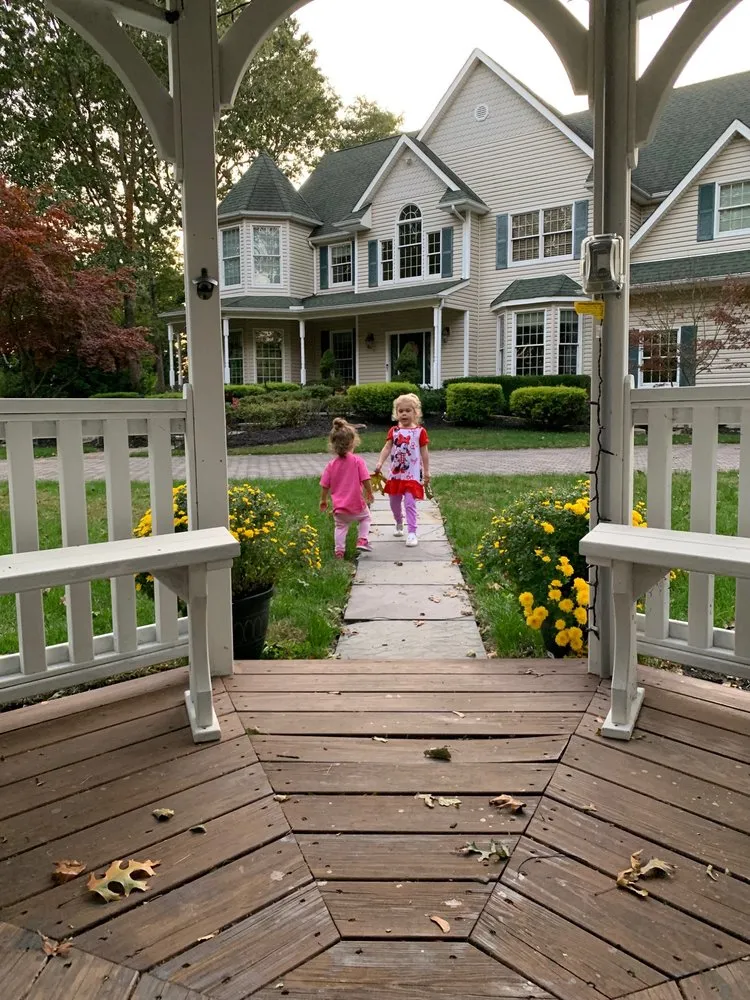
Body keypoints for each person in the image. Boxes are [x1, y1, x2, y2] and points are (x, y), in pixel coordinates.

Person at [374, 392, 430, 547]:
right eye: (401, 411)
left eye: (408, 410)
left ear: (415, 412)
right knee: (394, 503)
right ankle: (399, 522)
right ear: (396, 413)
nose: (404, 414)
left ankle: (412, 532)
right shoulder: (394, 431)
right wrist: (379, 463)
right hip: (396, 475)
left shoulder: (420, 432)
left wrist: (426, 472)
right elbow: (387, 448)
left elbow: (424, 453)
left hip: (411, 474)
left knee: (410, 503)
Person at [320, 417, 374, 558]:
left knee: (340, 527)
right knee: (366, 518)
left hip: (340, 507)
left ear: (333, 445)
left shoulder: (331, 465)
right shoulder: (357, 461)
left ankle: (339, 552)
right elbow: (366, 479)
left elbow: (325, 485)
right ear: (352, 442)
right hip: (356, 504)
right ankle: (362, 539)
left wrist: (323, 500)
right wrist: (370, 492)